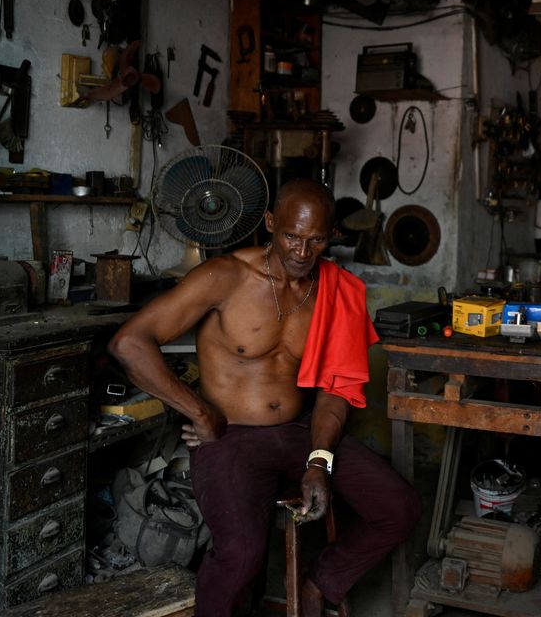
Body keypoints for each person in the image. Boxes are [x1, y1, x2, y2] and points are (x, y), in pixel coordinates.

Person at [109, 178, 420, 617]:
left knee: (399, 508)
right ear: (271, 223)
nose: (301, 251)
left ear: (331, 237)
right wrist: (199, 412)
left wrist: (318, 462)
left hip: (300, 433)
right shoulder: (225, 277)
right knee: (240, 555)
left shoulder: (337, 292)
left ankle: (320, 583)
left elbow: (336, 390)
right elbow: (130, 343)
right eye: (292, 235)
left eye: (315, 240)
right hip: (231, 438)